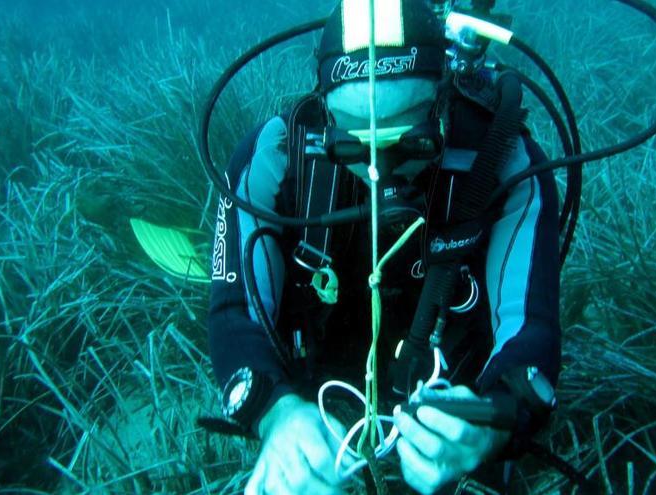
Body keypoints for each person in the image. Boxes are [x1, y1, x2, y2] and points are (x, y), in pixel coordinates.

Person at [207, 1, 561, 493]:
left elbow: (533, 332)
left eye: (409, 141)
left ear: (444, 100)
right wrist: (277, 412)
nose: (380, 171)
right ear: (323, 109)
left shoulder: (506, 161)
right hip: (317, 383)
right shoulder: (275, 154)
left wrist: (489, 425)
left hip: (455, 383)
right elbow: (233, 312)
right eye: (353, 144)